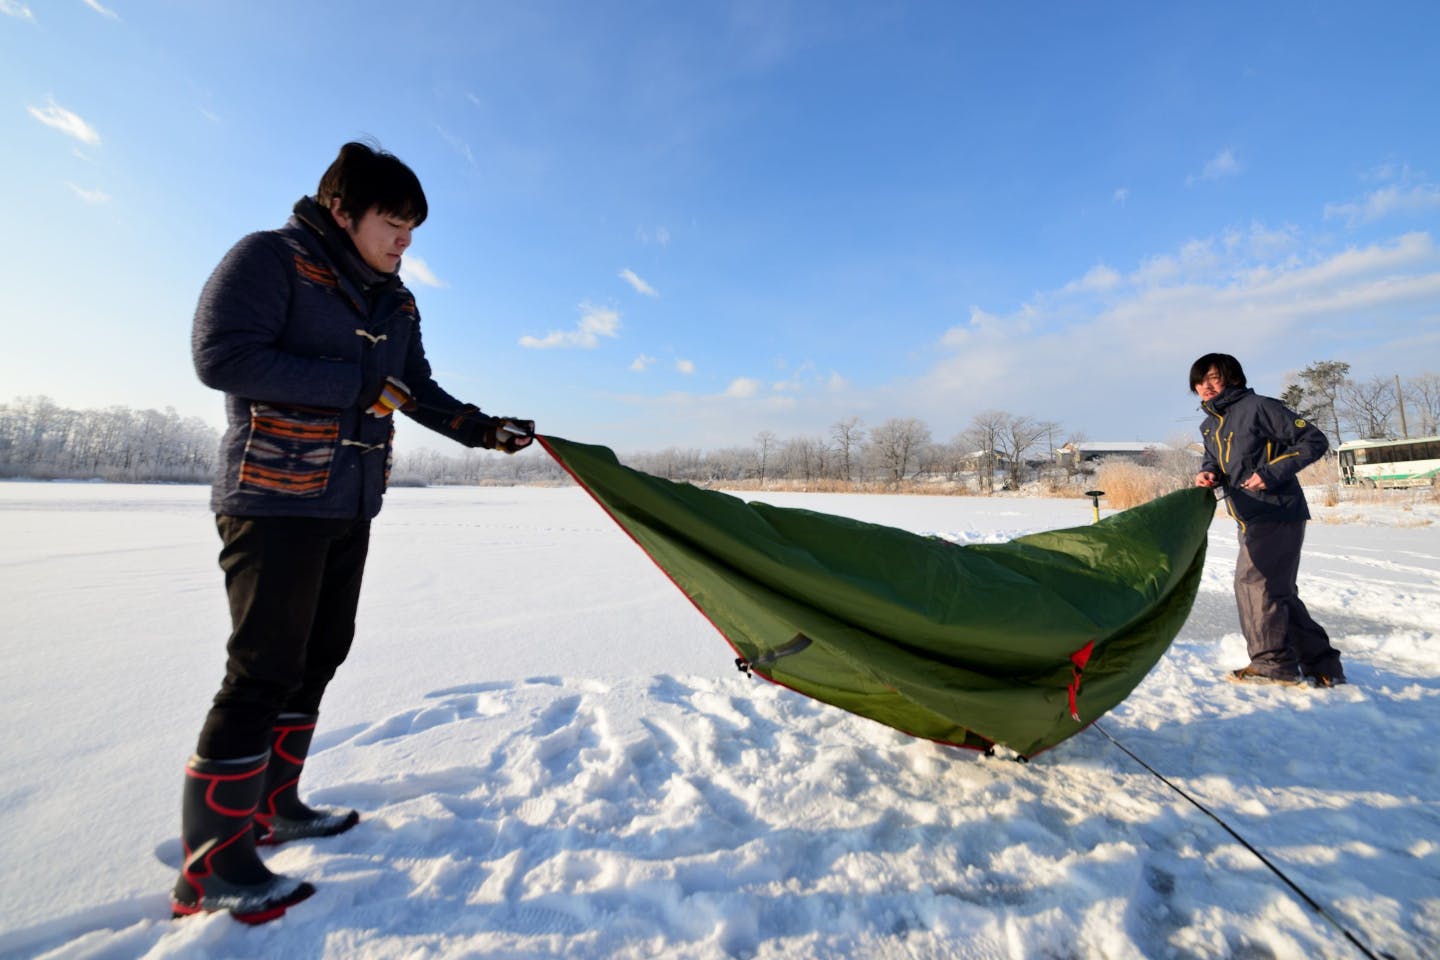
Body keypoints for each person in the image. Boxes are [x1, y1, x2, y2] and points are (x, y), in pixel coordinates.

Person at [176, 141, 535, 922]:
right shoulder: (269, 259)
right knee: (261, 670)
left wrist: (484, 430)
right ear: (342, 211)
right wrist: (356, 384)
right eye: (392, 223)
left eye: (412, 229)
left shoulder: (394, 299)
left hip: (348, 500)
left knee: (317, 656)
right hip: (272, 498)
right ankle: (212, 863)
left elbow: (417, 389)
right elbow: (221, 356)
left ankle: (277, 805)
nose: (405, 241)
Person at [1190, 352, 1345, 689]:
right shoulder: (1210, 424)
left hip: (1277, 510)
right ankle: (1323, 665)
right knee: (1277, 591)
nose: (1205, 386)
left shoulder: (1259, 407)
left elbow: (1314, 440)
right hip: (1247, 516)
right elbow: (1214, 459)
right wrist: (1208, 472)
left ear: (1231, 378)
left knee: (1253, 583)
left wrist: (1270, 474)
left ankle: (1273, 664)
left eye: (1213, 378)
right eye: (1200, 381)